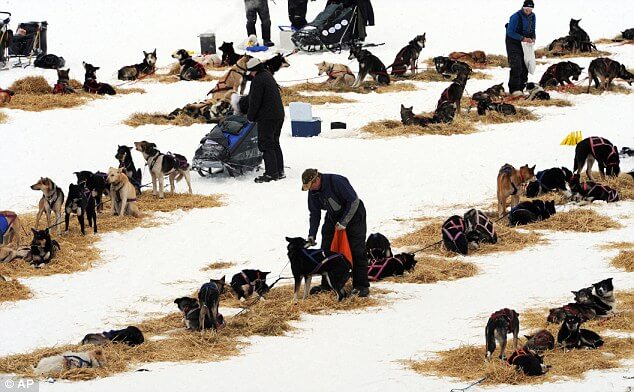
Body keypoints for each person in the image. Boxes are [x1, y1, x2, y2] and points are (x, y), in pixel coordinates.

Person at [302, 169, 370, 297]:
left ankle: (361, 285)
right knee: (326, 249)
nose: (311, 189)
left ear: (317, 180)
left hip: (354, 214)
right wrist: (312, 234)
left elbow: (354, 201)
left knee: (357, 250)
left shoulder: (336, 181)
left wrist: (344, 222)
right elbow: (314, 213)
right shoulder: (313, 192)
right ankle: (327, 284)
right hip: (333, 215)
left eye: (311, 186)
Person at [246, 58, 285, 183]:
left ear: (253, 70)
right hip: (278, 115)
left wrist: (250, 116)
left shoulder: (257, 80)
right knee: (274, 142)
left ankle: (271, 173)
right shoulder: (268, 75)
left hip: (267, 117)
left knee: (266, 144)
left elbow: (254, 102)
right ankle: (279, 171)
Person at [505, 0, 536, 96]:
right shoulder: (515, 16)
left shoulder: (533, 16)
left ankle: (521, 88)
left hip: (525, 43)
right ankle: (514, 90)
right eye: (526, 9)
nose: (528, 11)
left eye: (530, 9)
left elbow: (533, 28)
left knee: (525, 65)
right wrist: (522, 38)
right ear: (523, 7)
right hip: (513, 42)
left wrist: (533, 37)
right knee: (516, 65)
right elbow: (510, 32)